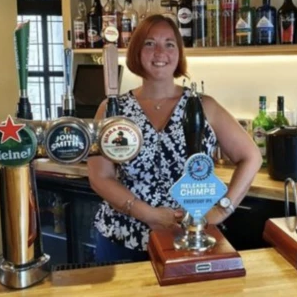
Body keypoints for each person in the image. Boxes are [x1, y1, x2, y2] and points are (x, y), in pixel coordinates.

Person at [87, 14, 262, 263]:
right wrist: (149, 214)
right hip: (124, 237)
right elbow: (99, 177)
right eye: (150, 43)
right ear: (137, 51)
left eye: (170, 44)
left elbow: (251, 156)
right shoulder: (113, 109)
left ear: (179, 53)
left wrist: (222, 209)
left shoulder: (203, 106)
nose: (160, 52)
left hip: (193, 237)